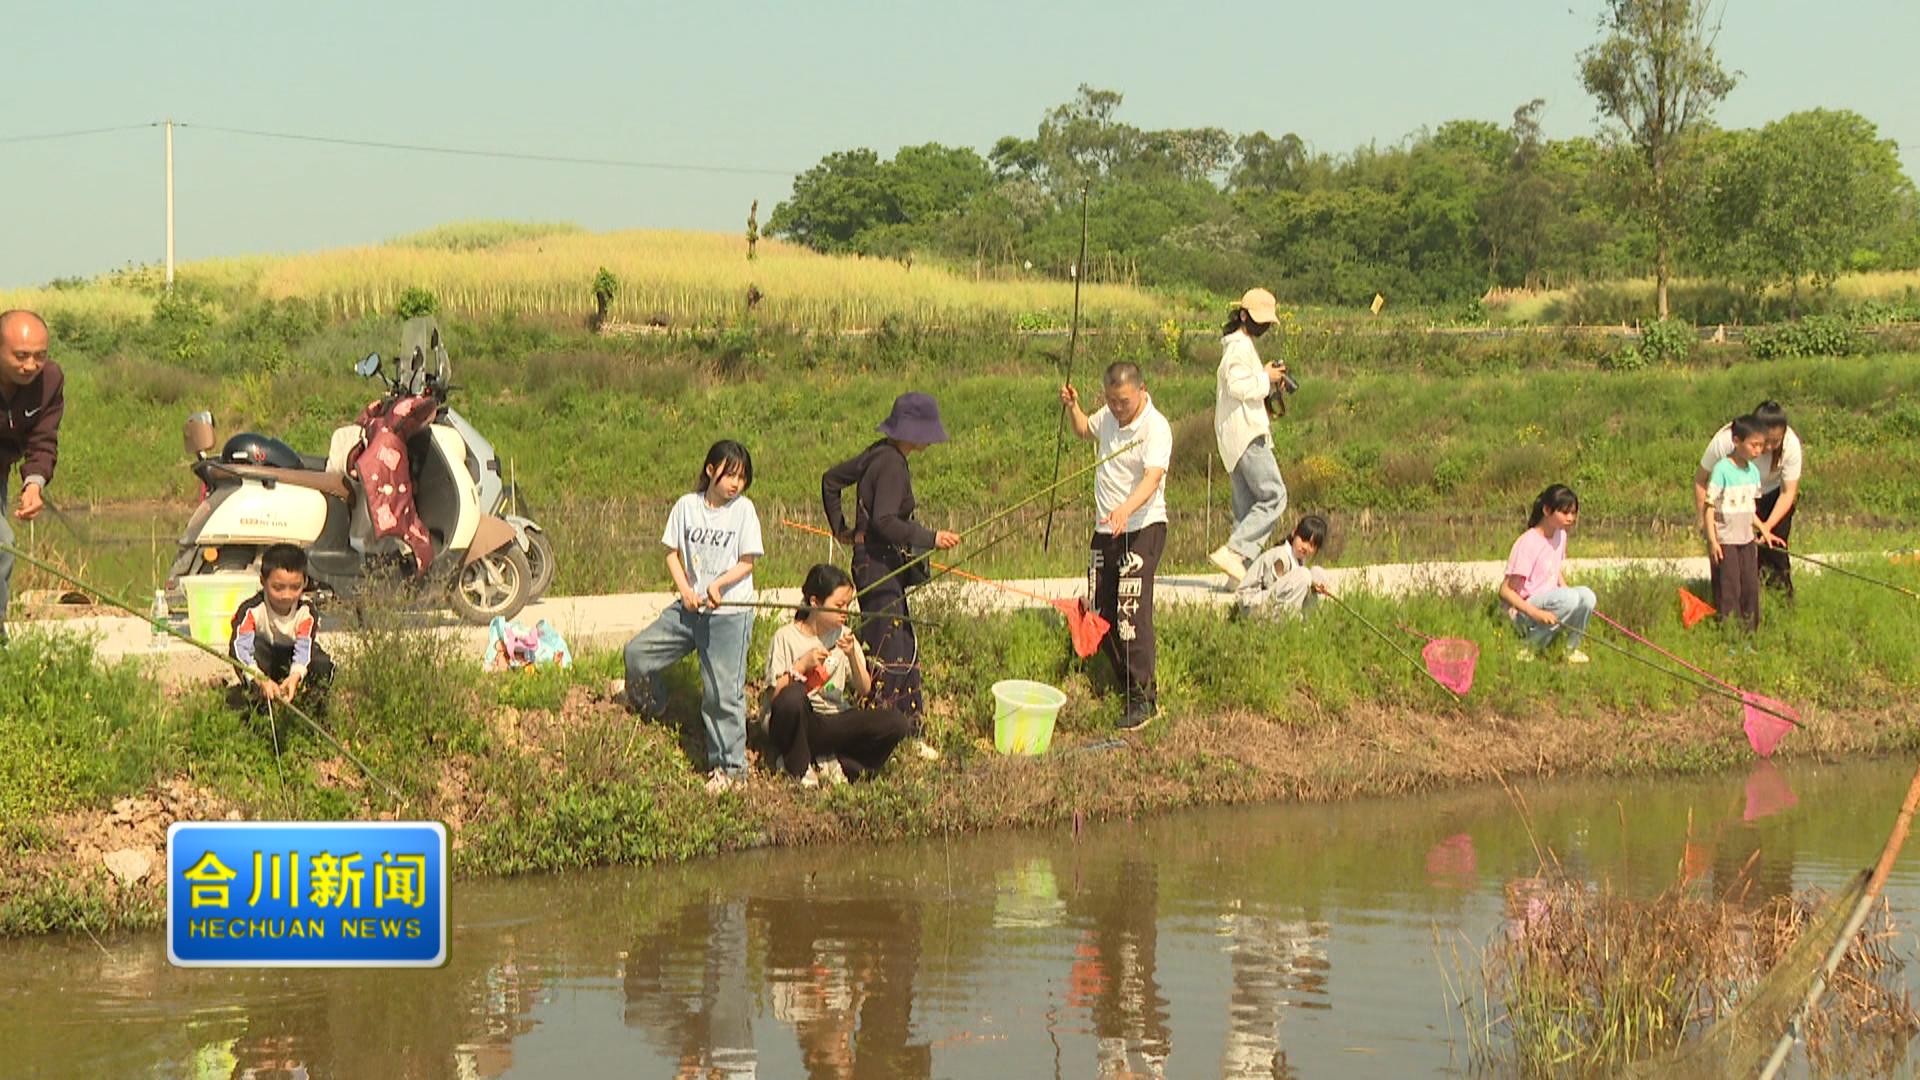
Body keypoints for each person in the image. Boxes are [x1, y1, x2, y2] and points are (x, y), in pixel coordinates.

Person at [622, 440, 764, 794]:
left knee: (721, 695)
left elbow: (747, 561)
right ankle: (656, 705)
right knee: (637, 655)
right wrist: (685, 588)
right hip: (690, 609)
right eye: (731, 474)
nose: (736, 484)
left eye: (742, 478)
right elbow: (671, 552)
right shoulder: (686, 507)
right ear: (710, 469)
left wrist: (719, 585)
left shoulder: (744, 511)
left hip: (729, 613)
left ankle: (731, 770)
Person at [821, 392, 957, 758]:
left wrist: (842, 530)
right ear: (913, 432)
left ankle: (908, 732)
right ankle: (885, 736)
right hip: (878, 562)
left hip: (872, 562)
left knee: (900, 643)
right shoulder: (893, 464)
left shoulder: (876, 453)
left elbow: (831, 480)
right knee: (891, 650)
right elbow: (884, 521)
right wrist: (931, 538)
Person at [1058, 362, 1172, 730]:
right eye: (1110, 400)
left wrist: (1125, 508)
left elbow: (1153, 478)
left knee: (1130, 613)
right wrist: (1074, 407)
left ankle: (1144, 698)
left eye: (1123, 401)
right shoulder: (1107, 416)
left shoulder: (1157, 428)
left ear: (1141, 390)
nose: (1117, 408)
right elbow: (1082, 430)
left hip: (1141, 527)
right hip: (1105, 530)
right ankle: (1122, 680)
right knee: (1099, 611)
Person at [764, 564, 913, 785]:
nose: (845, 611)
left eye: (848, 605)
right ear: (815, 603)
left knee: (895, 723)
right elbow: (775, 697)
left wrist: (852, 654)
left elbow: (864, 689)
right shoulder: (785, 637)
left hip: (832, 719)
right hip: (801, 720)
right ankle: (798, 765)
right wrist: (801, 666)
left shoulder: (844, 635)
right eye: (839, 605)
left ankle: (845, 764)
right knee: (793, 696)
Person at [1209, 288, 1291, 584]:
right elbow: (1238, 386)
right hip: (1247, 437)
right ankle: (1234, 551)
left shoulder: (1238, 346)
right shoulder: (1239, 348)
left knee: (1246, 509)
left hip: (1233, 438)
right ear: (1243, 316)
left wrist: (1268, 384)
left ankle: (1238, 575)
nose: (1264, 327)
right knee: (1274, 495)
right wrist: (1264, 378)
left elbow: (1246, 389)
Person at [0, 310, 64, 645]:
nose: (31, 365)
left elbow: (43, 438)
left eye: (39, 356)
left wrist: (34, 484)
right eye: (21, 356)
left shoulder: (49, 380)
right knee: (2, 543)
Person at [1694, 400, 1802, 598]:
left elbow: (1788, 493)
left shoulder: (1791, 444)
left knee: (1774, 551)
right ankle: (1727, 608)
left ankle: (1779, 602)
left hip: (1772, 497)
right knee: (1729, 553)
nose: (1768, 447)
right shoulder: (1726, 441)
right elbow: (1701, 480)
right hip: (1731, 498)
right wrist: (1704, 522)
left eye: (1775, 442)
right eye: (1763, 442)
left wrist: (1766, 528)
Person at [228, 543, 334, 710]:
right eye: (278, 588)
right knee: (256, 651)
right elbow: (240, 650)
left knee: (322, 663)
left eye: (295, 587)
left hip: (292, 657)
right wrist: (258, 677)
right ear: (263, 581)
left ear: (305, 582)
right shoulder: (251, 610)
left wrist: (295, 675)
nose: (286, 595)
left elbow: (304, 649)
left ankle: (310, 711)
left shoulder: (306, 612)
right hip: (265, 660)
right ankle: (257, 708)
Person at [1499, 484, 1596, 663]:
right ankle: (1530, 646)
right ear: (1547, 510)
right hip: (1523, 611)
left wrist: (1570, 593)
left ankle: (1568, 649)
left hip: (1549, 601)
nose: (1571, 518)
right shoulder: (1528, 542)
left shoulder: (1561, 536)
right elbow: (1505, 591)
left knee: (1587, 596)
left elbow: (1553, 567)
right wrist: (1535, 613)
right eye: (1565, 512)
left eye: (1573, 513)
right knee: (1570, 598)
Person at [1703, 414, 1767, 635]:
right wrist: (1713, 540)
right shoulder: (1722, 469)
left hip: (1747, 540)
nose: (1758, 450)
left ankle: (1750, 634)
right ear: (1737, 441)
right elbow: (1709, 507)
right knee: (1731, 588)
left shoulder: (1754, 472)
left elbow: (1748, 509)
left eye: (1761, 445)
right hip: (1726, 541)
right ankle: (1730, 635)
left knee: (1750, 588)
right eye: (1753, 444)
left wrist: (1763, 528)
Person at [1235, 515, 1332, 619]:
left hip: (1269, 603)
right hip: (1250, 605)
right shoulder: (1281, 556)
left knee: (1317, 573)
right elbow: (1272, 589)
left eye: (1312, 545)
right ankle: (1289, 621)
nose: (1305, 547)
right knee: (1304, 575)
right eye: (1303, 539)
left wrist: (1313, 586)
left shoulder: (1298, 560)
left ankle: (1308, 621)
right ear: (1294, 533)